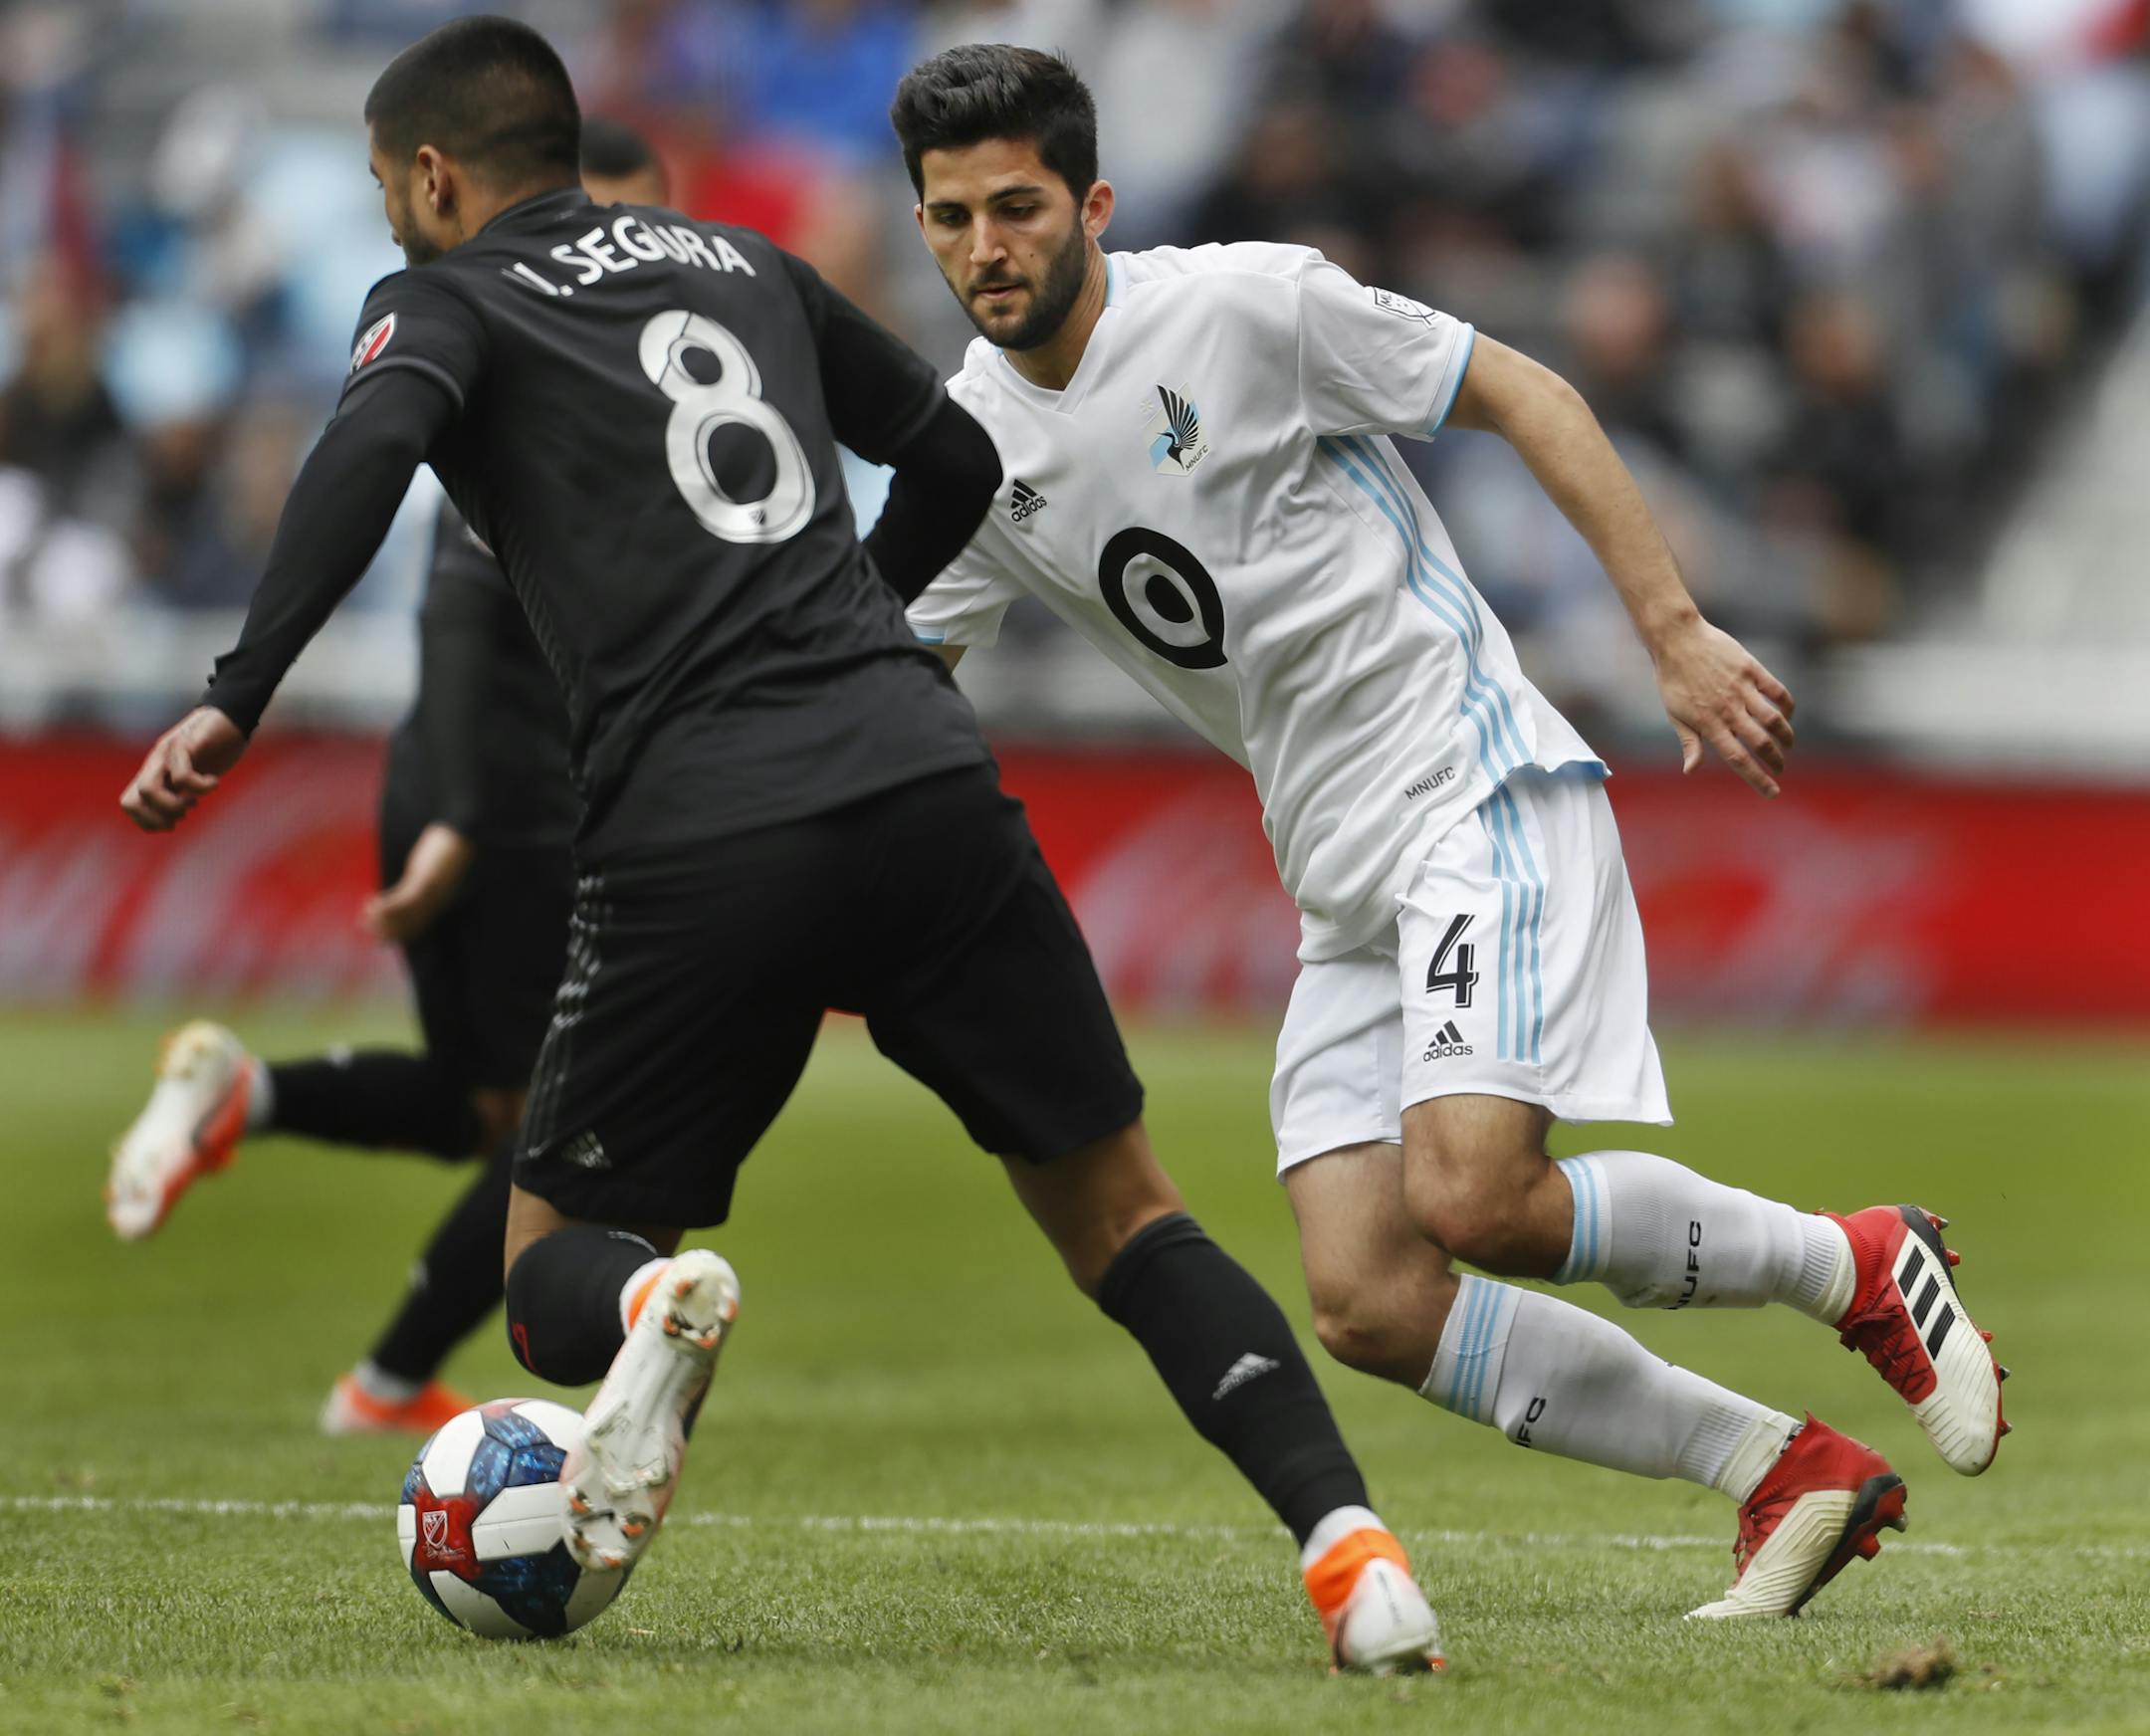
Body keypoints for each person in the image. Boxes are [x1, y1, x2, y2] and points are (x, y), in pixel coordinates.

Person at [116, 17, 1443, 1674]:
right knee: (1127, 1214)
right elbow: (955, 456)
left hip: (700, 824)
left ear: (435, 175)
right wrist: (853, 637)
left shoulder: (444, 297)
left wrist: (237, 693)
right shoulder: (736, 259)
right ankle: (1353, 1550)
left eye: (392, 192)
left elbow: (365, 451)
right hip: (919, 774)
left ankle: (648, 1315)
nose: (392, 221)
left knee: (547, 1285)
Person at [890, 44, 2008, 1622]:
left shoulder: (1242, 306)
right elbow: (899, 687)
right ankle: (1781, 1469)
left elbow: (1524, 391)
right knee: (1366, 1291)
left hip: (1466, 784)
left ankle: (1855, 1261)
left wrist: (1671, 630)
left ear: (1095, 204)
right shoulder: (960, 454)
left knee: (1474, 1192)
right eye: (949, 219)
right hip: (1336, 874)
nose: (984, 250)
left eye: (1017, 208)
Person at [105, 120, 676, 1438]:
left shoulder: (591, 378)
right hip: (502, 806)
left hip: (477, 794)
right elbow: (459, 612)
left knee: (486, 1108)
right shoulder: (555, 392)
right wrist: (465, 823)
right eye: (611, 223)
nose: (635, 257)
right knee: (562, 1124)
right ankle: (389, 1380)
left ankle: (251, 1097)